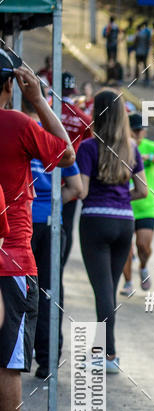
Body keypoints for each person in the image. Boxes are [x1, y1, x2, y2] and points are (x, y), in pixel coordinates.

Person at [0, 55, 75, 411]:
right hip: (9, 258)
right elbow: (65, 153)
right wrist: (41, 101)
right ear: (10, 84)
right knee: (7, 362)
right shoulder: (15, 122)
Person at [76, 89, 147, 373]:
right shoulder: (132, 148)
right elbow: (142, 190)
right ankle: (105, 353)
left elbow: (80, 190)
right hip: (124, 222)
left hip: (95, 220)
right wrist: (119, 200)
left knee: (103, 292)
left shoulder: (88, 147)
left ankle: (107, 355)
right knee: (110, 291)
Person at [21, 95, 83, 378]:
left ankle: (16, 355)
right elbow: (76, 187)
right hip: (50, 222)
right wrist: (52, 205)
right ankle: (48, 359)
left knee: (16, 289)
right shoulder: (52, 138)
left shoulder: (13, 130)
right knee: (48, 290)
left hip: (19, 220)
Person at [121, 112, 154, 296]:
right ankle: (127, 282)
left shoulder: (151, 146)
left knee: (143, 246)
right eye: (135, 130)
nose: (138, 134)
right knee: (126, 248)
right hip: (125, 204)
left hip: (146, 206)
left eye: (141, 130)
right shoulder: (121, 146)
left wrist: (146, 158)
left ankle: (143, 267)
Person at [60, 72, 92, 269]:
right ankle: (60, 265)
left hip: (42, 177)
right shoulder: (83, 118)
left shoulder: (46, 109)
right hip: (71, 178)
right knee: (67, 226)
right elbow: (88, 144)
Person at [134, 21, 152, 86]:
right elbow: (150, 42)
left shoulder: (138, 33)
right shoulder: (148, 32)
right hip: (145, 52)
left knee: (137, 65)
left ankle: (136, 78)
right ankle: (146, 79)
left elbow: (135, 42)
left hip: (138, 52)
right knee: (145, 65)